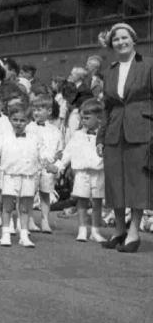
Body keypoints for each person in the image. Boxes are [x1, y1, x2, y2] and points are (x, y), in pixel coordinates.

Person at [97, 22, 152, 253]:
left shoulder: (148, 65)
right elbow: (107, 107)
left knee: (137, 182)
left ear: (133, 39)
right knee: (115, 181)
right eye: (116, 39)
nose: (120, 42)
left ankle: (134, 232)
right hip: (113, 130)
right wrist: (100, 137)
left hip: (141, 128)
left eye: (124, 37)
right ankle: (119, 230)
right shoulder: (109, 70)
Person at [0, 103, 57, 248]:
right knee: (7, 206)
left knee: (25, 207)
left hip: (28, 176)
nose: (18, 123)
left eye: (22, 120)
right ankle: (5, 234)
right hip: (9, 175)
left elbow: (43, 154)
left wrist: (50, 165)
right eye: (15, 120)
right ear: (10, 120)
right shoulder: (4, 136)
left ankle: (23, 234)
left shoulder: (34, 138)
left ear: (27, 121)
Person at [56, 98, 106, 243]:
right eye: (82, 118)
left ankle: (95, 230)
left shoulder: (103, 136)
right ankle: (82, 229)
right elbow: (68, 153)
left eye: (87, 118)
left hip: (98, 172)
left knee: (97, 202)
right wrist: (59, 166)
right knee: (82, 201)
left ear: (99, 118)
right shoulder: (77, 135)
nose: (84, 121)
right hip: (82, 173)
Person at [26, 92, 63, 234]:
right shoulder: (29, 127)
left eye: (40, 109)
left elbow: (59, 150)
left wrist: (55, 163)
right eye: (34, 109)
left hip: (48, 167)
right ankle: (29, 219)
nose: (36, 112)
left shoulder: (55, 131)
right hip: (33, 165)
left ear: (49, 111)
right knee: (30, 193)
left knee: (45, 193)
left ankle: (45, 219)